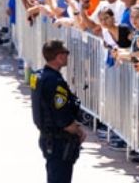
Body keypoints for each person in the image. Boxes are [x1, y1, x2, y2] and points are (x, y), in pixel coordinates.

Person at [31, 40, 86, 183]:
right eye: (66, 53)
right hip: (59, 140)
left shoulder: (38, 76)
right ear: (59, 56)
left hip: (48, 136)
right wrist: (76, 129)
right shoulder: (55, 81)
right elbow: (60, 114)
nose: (67, 56)